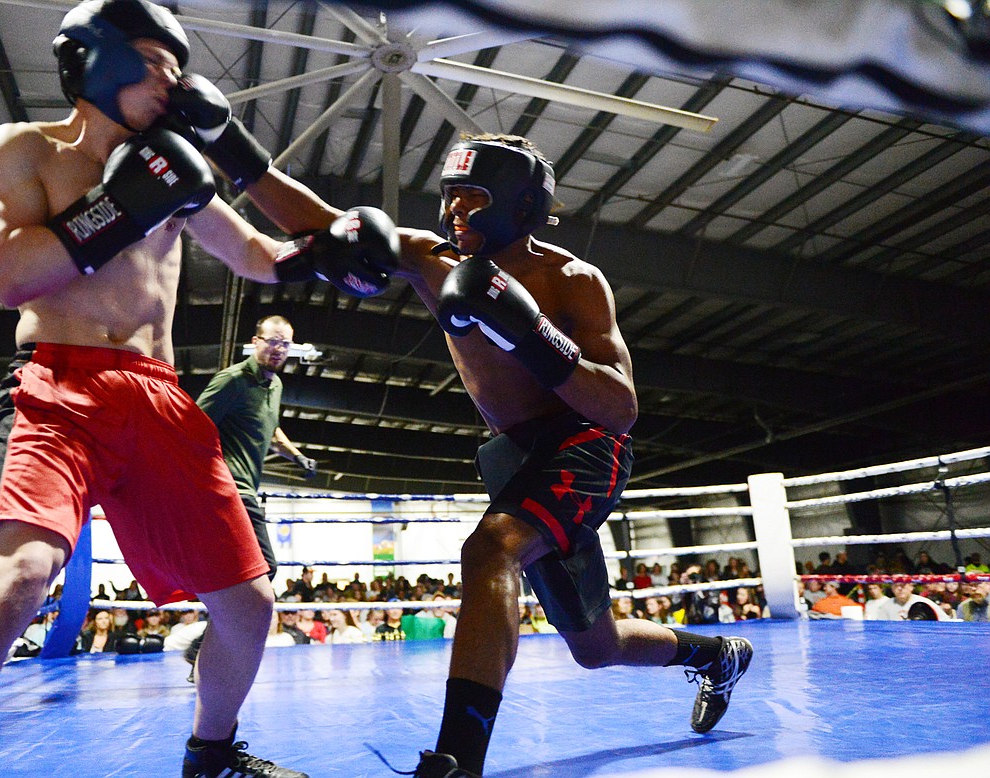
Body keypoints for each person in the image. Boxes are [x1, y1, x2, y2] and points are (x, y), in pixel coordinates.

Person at [0, 3, 396, 776]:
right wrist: (123, 207)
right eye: (153, 60)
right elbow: (12, 276)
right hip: (59, 383)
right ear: (95, 60)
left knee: (250, 608)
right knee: (15, 579)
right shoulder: (23, 148)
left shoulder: (176, 170)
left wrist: (320, 259)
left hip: (158, 395)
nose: (171, 79)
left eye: (177, 66)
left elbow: (256, 255)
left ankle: (211, 758)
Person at [196, 120, 753, 775]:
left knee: (491, 549)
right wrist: (223, 139)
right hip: (519, 458)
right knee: (594, 645)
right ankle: (716, 655)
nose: (455, 208)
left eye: (475, 196)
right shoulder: (436, 261)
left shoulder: (574, 279)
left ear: (521, 205)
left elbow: (621, 407)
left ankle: (458, 760)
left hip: (584, 446)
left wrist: (532, 335)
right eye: (451, 193)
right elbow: (328, 226)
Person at [196, 314, 318, 581]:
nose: (278, 349)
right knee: (263, 567)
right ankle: (223, 618)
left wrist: (297, 457)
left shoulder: (275, 385)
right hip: (228, 488)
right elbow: (190, 426)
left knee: (240, 570)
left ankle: (217, 619)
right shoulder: (233, 379)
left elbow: (270, 430)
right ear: (255, 341)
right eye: (272, 341)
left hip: (247, 488)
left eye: (285, 344)